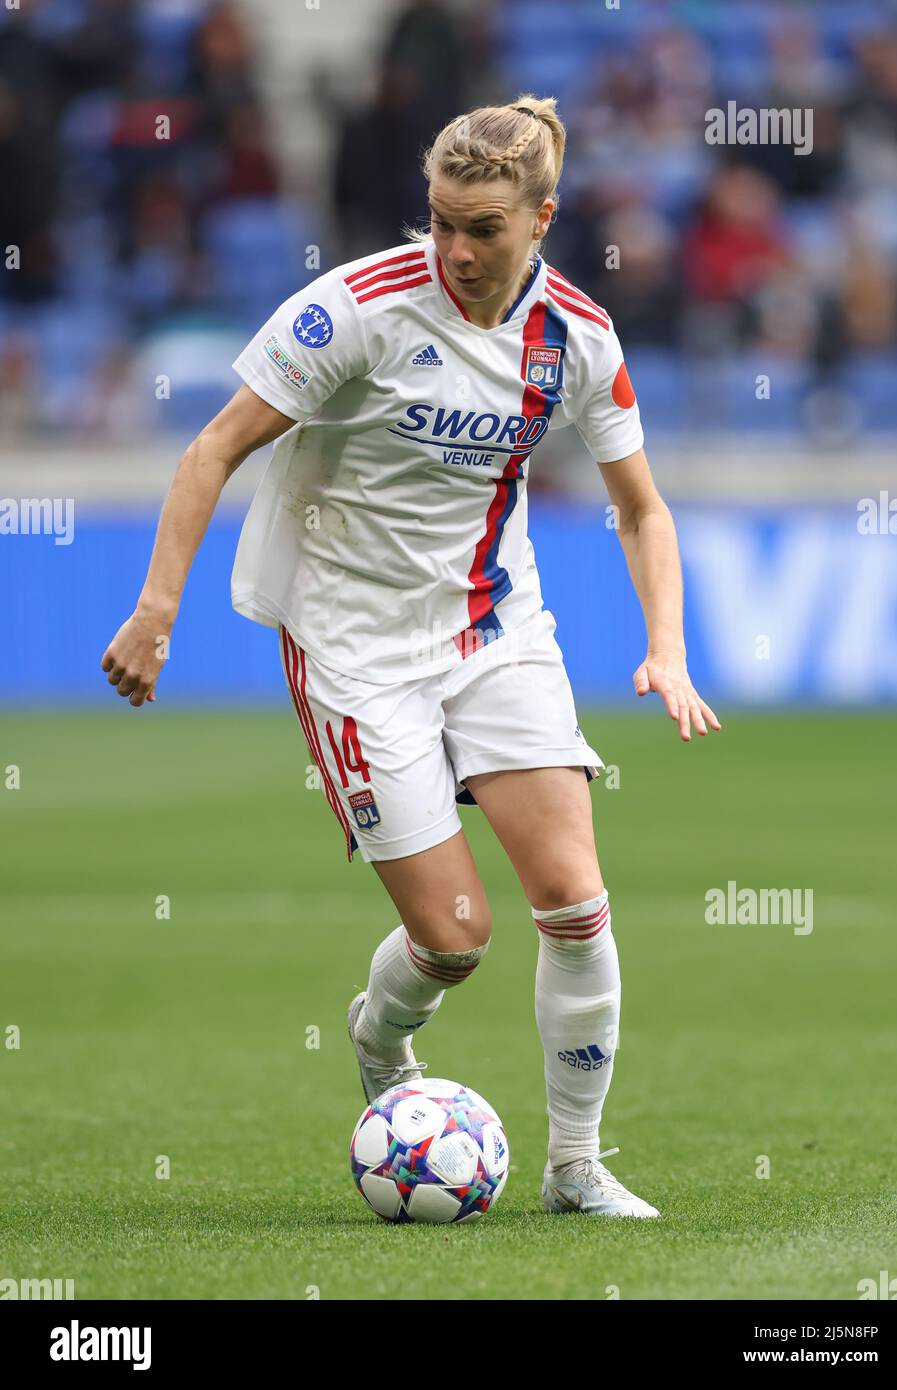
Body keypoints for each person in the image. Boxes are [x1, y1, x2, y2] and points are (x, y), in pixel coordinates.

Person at [101, 94, 721, 1219]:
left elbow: (642, 509)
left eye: (484, 228)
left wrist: (665, 648)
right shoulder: (357, 310)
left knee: (577, 901)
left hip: (493, 629)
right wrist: (157, 609)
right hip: (351, 644)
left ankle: (576, 1165)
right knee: (455, 937)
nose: (456, 251)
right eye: (440, 222)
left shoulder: (577, 339)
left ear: (543, 215)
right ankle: (380, 1035)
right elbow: (214, 447)